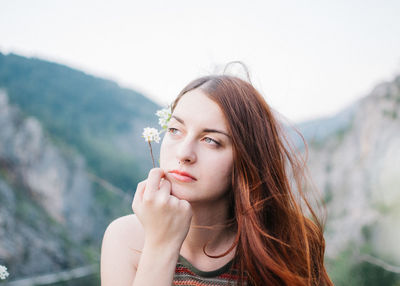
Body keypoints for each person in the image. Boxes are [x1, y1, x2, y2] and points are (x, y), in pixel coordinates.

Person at [100, 66, 333, 286]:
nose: (184, 153)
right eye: (174, 130)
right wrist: (161, 245)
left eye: (210, 140)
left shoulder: (289, 241)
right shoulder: (125, 239)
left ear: (247, 158)